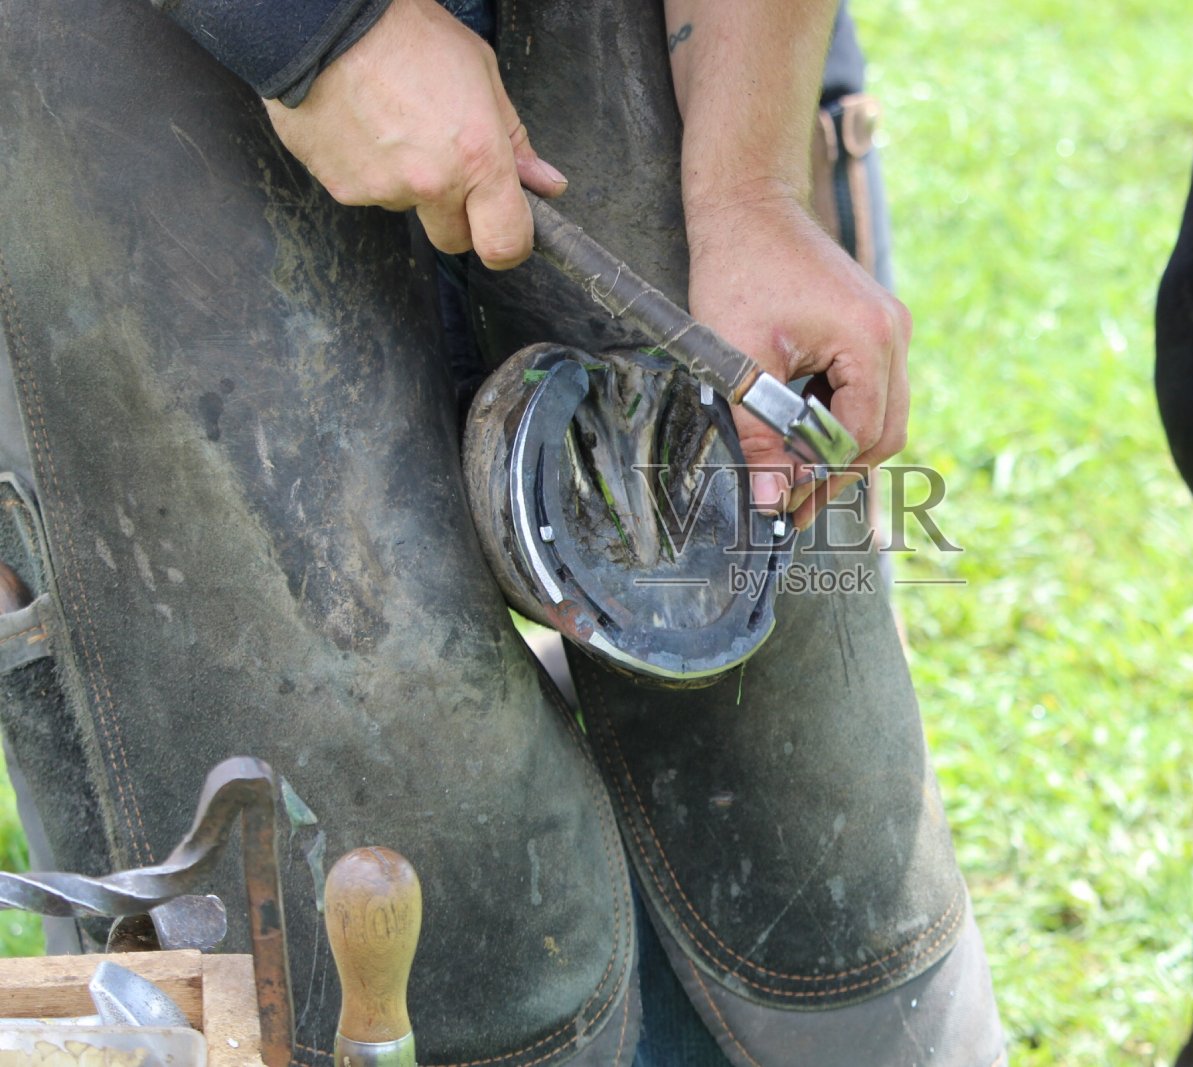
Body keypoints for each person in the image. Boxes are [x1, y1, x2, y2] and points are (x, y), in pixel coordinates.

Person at [0, 0, 1006, 1063]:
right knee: (364, 836)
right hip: (119, 94)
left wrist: (753, 191)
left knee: (807, 843)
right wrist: (317, 30)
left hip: (618, 52)